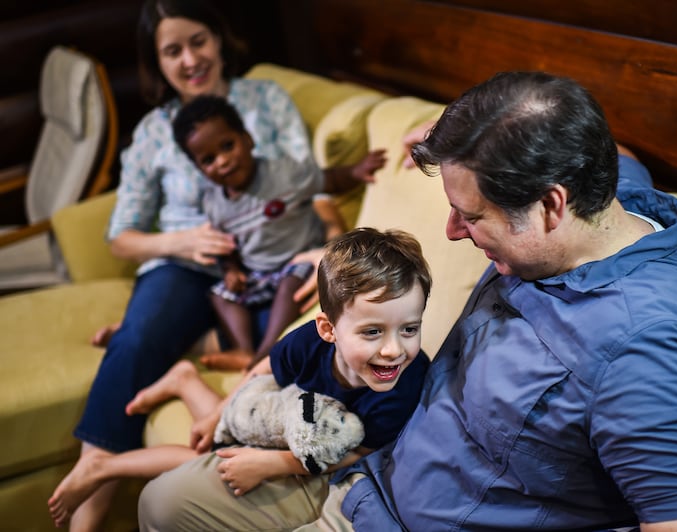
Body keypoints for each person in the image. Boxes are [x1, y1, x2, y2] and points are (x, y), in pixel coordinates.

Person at [138, 71, 677, 531]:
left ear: (550, 206)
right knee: (163, 504)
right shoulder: (604, 203)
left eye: (471, 214)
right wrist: (463, 133)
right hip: (370, 471)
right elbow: (615, 151)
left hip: (399, 518)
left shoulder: (645, 348)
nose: (451, 232)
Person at [56, 0, 386, 530]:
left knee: (290, 344)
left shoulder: (265, 100)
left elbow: (312, 186)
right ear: (157, 61)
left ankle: (177, 339)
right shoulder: (154, 132)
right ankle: (87, 506)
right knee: (137, 343)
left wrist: (328, 247)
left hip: (268, 261)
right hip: (187, 264)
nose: (190, 60)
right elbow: (121, 237)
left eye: (198, 42)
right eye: (172, 51)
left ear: (219, 38)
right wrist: (182, 242)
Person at [49, 227, 432, 528]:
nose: (393, 350)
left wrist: (272, 464)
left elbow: (356, 453)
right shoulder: (308, 342)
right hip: (286, 413)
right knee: (215, 442)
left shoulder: (405, 381)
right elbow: (263, 369)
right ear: (328, 329)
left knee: (220, 454)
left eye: (409, 329)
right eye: (372, 332)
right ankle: (109, 459)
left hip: (316, 444)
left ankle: (113, 459)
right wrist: (218, 414)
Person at [172, 94, 344, 370]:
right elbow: (227, 246)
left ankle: (267, 350)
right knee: (219, 294)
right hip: (259, 275)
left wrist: (357, 172)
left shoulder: (281, 174)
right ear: (199, 169)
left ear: (248, 139)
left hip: (296, 260)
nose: (223, 161)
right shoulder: (214, 203)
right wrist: (231, 271)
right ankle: (243, 348)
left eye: (228, 146)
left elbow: (328, 180)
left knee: (292, 280)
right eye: (209, 159)